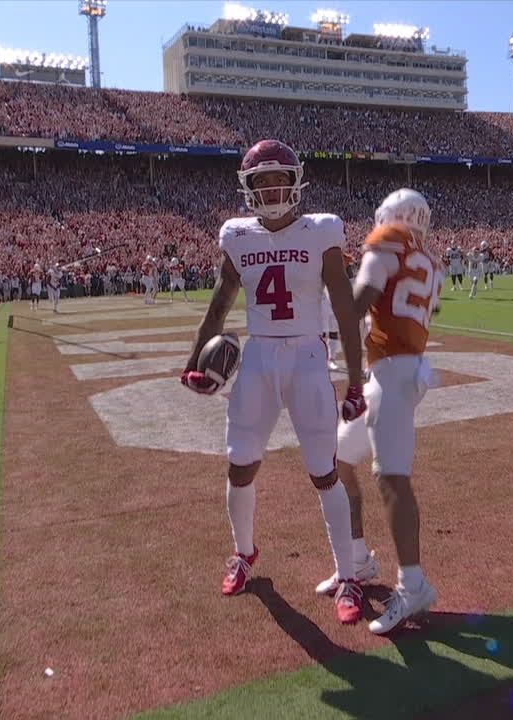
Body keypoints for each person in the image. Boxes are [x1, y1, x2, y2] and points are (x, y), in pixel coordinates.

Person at [180, 139, 369, 624]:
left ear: (295, 182)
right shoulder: (237, 236)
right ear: (247, 188)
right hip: (259, 357)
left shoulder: (320, 232)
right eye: (260, 182)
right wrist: (192, 361)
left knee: (323, 470)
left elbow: (345, 309)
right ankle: (244, 553)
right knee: (239, 464)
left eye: (277, 180)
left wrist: (352, 379)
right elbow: (219, 303)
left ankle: (348, 575)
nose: (269, 190)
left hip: (307, 354)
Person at [323, 188, 442, 634]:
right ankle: (357, 559)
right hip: (397, 373)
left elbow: (357, 304)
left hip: (393, 375)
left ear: (390, 217)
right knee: (338, 460)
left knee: (392, 478)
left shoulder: (387, 241)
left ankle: (413, 585)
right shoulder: (429, 261)